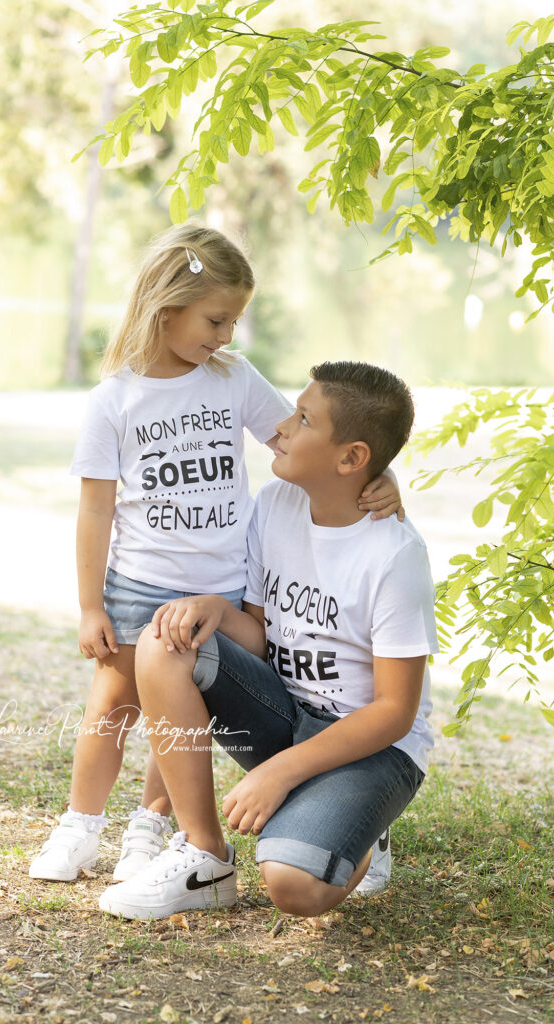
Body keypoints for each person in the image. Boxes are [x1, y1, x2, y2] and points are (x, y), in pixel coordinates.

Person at [29, 228, 402, 885]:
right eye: (215, 320)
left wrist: (376, 478)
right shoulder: (114, 400)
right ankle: (78, 826)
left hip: (220, 592)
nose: (225, 336)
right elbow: (94, 510)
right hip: (140, 584)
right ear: (165, 306)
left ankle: (149, 826)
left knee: (184, 716)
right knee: (112, 706)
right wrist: (91, 605)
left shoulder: (231, 378)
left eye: (232, 321)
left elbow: (302, 441)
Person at [97, 360, 437, 920]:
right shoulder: (274, 507)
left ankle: (361, 826)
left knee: (293, 887)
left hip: (371, 748)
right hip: (282, 713)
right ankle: (204, 855)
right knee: (166, 639)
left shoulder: (395, 555)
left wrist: (279, 773)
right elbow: (258, 638)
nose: (281, 427)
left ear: (351, 458)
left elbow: (395, 712)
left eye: (303, 419)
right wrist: (214, 612)